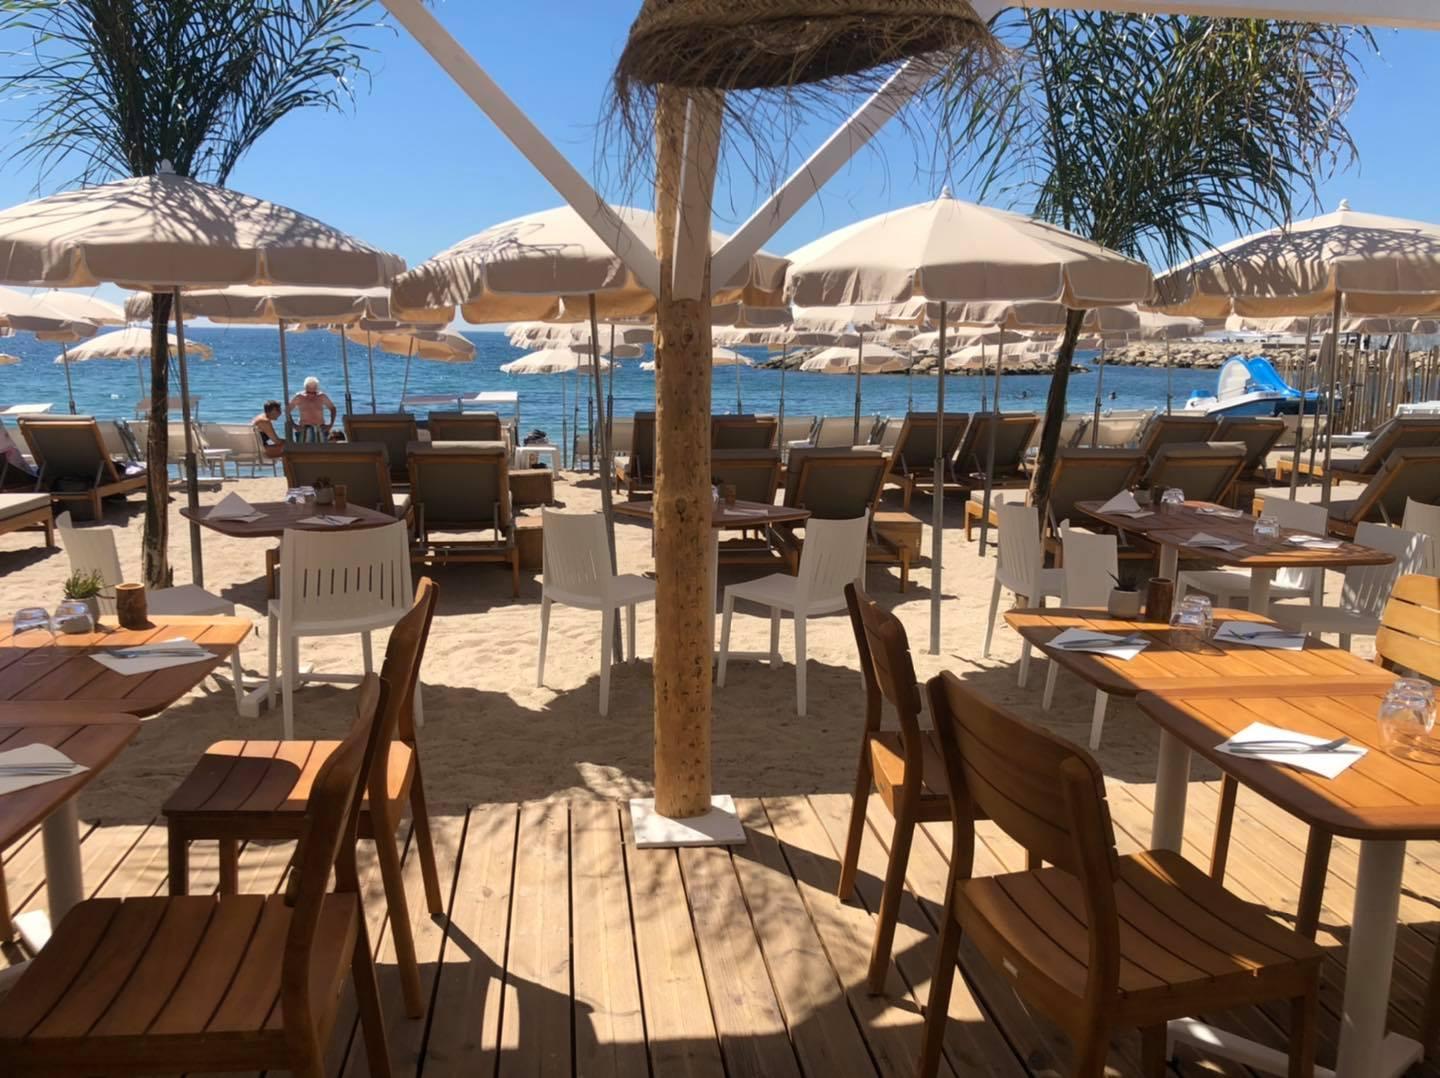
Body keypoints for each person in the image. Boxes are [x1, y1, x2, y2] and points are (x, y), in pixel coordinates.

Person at [287, 376, 336, 443]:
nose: (311, 395)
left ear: (316, 389)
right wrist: (294, 425)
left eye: (313, 393)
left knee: (322, 449)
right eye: (309, 393)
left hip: (320, 428)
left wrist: (331, 424)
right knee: (304, 449)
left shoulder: (322, 396)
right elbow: (287, 410)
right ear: (305, 389)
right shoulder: (299, 397)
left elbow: (333, 408)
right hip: (304, 428)